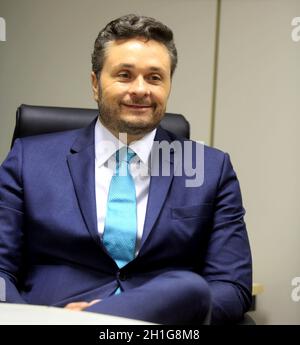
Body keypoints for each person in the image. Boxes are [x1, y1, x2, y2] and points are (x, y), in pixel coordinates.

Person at [0, 14, 252, 324]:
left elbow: (231, 285)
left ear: (169, 85)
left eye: (155, 77)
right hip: (51, 318)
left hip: (160, 328)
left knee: (189, 288)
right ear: (95, 84)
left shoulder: (209, 168)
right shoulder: (29, 160)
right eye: (124, 74)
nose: (141, 89)